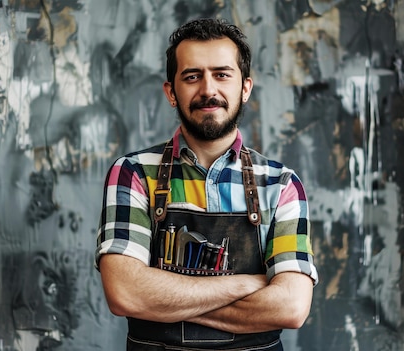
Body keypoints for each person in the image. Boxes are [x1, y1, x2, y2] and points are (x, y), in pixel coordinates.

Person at [95, 18, 318, 351]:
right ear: (171, 92)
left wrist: (167, 302)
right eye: (192, 76)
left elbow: (290, 306)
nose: (208, 90)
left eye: (222, 74)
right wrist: (248, 284)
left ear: (245, 88)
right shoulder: (134, 173)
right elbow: (126, 293)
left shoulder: (281, 184)